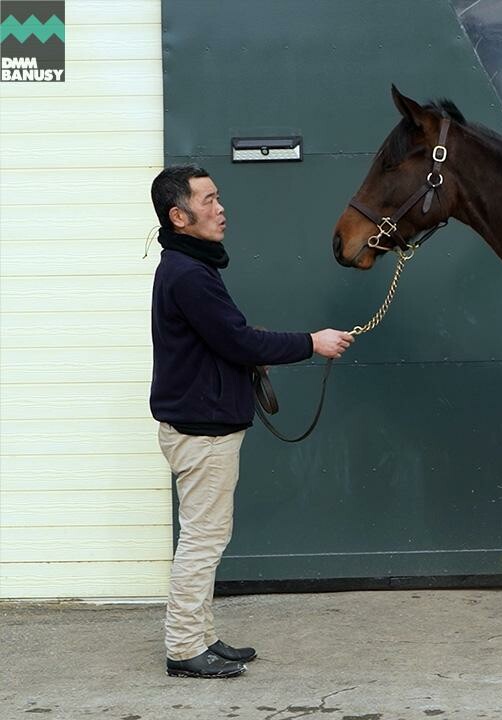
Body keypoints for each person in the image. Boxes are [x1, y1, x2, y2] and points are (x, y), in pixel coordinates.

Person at [148, 165, 353, 678]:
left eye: (218, 198)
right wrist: (312, 342)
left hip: (203, 427)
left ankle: (201, 636)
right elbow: (237, 340)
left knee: (208, 537)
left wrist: (251, 349)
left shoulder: (190, 267)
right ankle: (183, 648)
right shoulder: (188, 274)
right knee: (202, 541)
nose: (221, 209)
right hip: (202, 434)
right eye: (209, 200)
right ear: (179, 216)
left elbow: (225, 339)